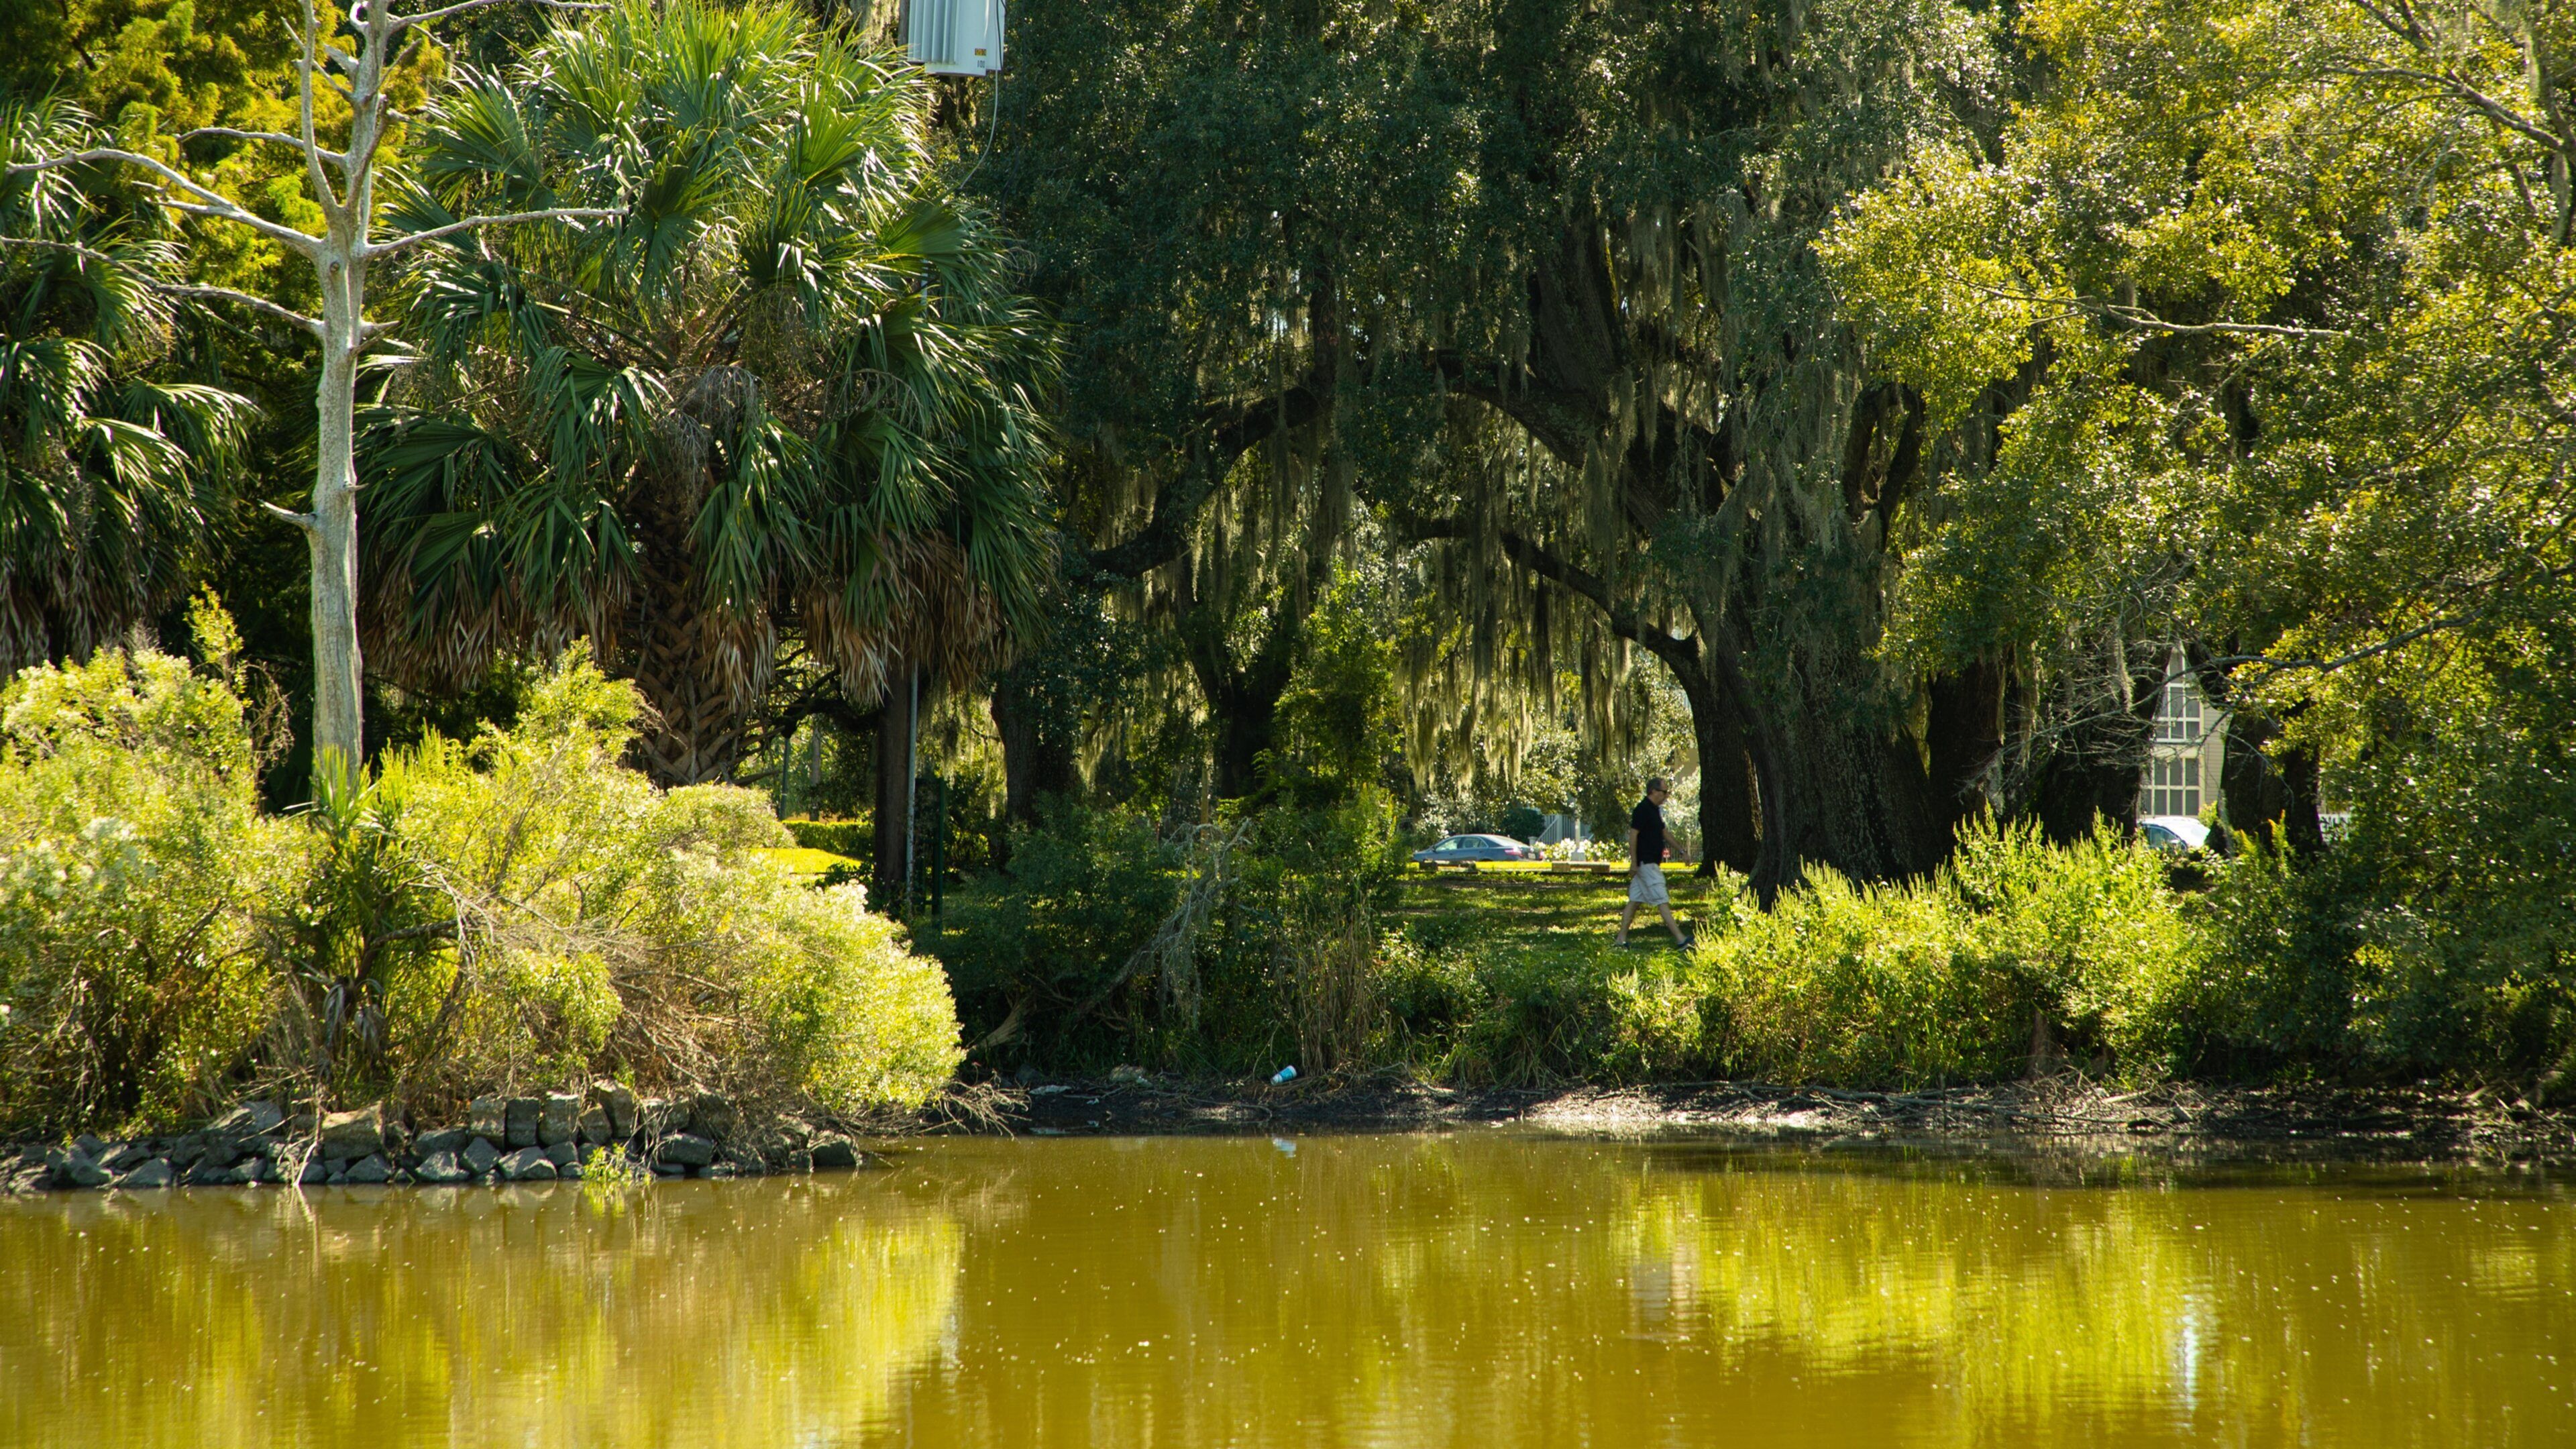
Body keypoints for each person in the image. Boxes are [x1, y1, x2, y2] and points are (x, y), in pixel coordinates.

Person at [1616, 777, 1690, 947]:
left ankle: (1621, 940)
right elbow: (1633, 835)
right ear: (1653, 791)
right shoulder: (1642, 809)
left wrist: (1682, 852)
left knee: (1634, 901)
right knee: (1662, 899)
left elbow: (1664, 833)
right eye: (1664, 792)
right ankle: (1681, 939)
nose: (1666, 796)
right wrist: (1634, 862)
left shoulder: (1654, 810)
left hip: (1650, 864)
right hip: (1646, 863)